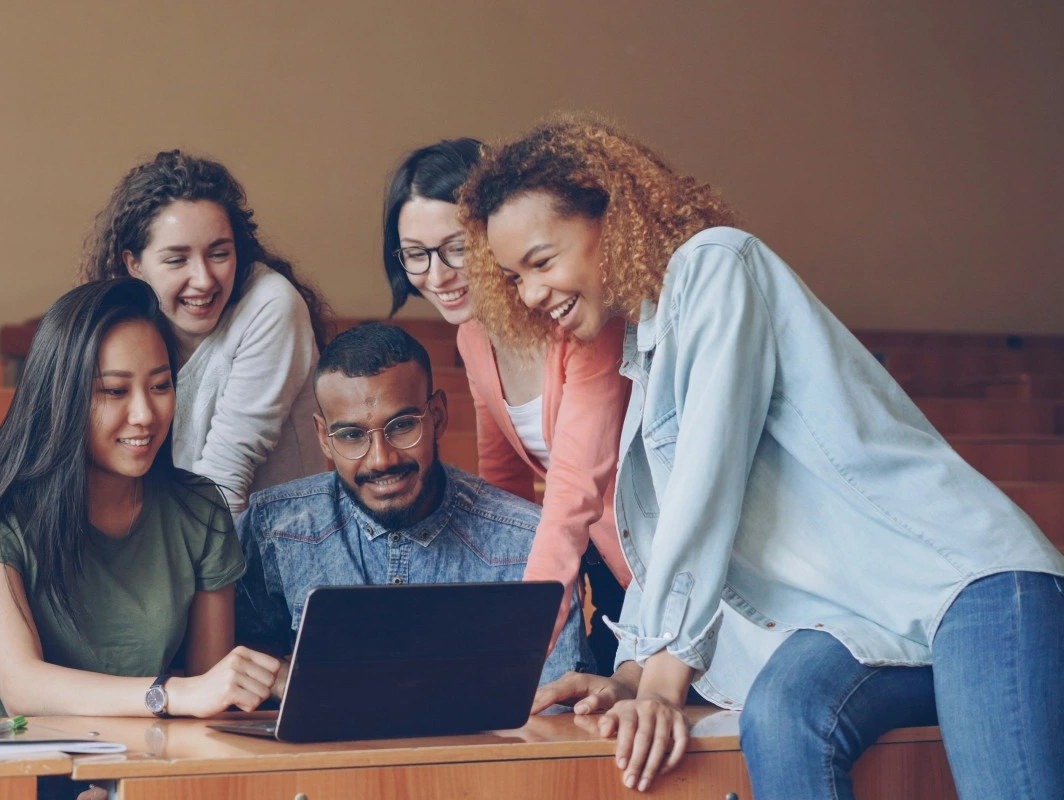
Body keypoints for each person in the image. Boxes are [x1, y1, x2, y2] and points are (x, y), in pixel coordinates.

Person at [460, 116, 1064, 798]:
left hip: (966, 584)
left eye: (542, 261)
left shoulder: (716, 266)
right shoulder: (644, 355)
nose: (532, 294)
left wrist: (663, 676)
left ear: (610, 213)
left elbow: (705, 484)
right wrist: (630, 671)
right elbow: (665, 550)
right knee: (783, 710)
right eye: (515, 278)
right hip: (860, 621)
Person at [0, 278, 283, 723]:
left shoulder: (199, 511)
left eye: (160, 386)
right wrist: (168, 695)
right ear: (60, 398)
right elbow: (22, 688)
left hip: (145, 772)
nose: (144, 414)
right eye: (115, 391)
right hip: (26, 774)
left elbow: (208, 696)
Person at [382, 139, 631, 672]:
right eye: (415, 254)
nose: (438, 274)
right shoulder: (474, 333)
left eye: (455, 248)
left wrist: (515, 643)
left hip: (662, 566)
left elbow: (572, 492)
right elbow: (503, 485)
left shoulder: (581, 316)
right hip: (600, 566)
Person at [235, 322, 588, 685]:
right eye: (351, 435)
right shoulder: (272, 530)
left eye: (402, 426)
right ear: (324, 438)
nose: (380, 460)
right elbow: (233, 682)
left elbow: (554, 715)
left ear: (437, 416)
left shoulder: (528, 542)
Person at [80, 150, 332, 515]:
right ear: (133, 263)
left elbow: (224, 482)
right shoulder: (126, 322)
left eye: (219, 254)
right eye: (177, 259)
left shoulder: (272, 304)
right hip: (170, 534)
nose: (203, 279)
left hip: (266, 549)